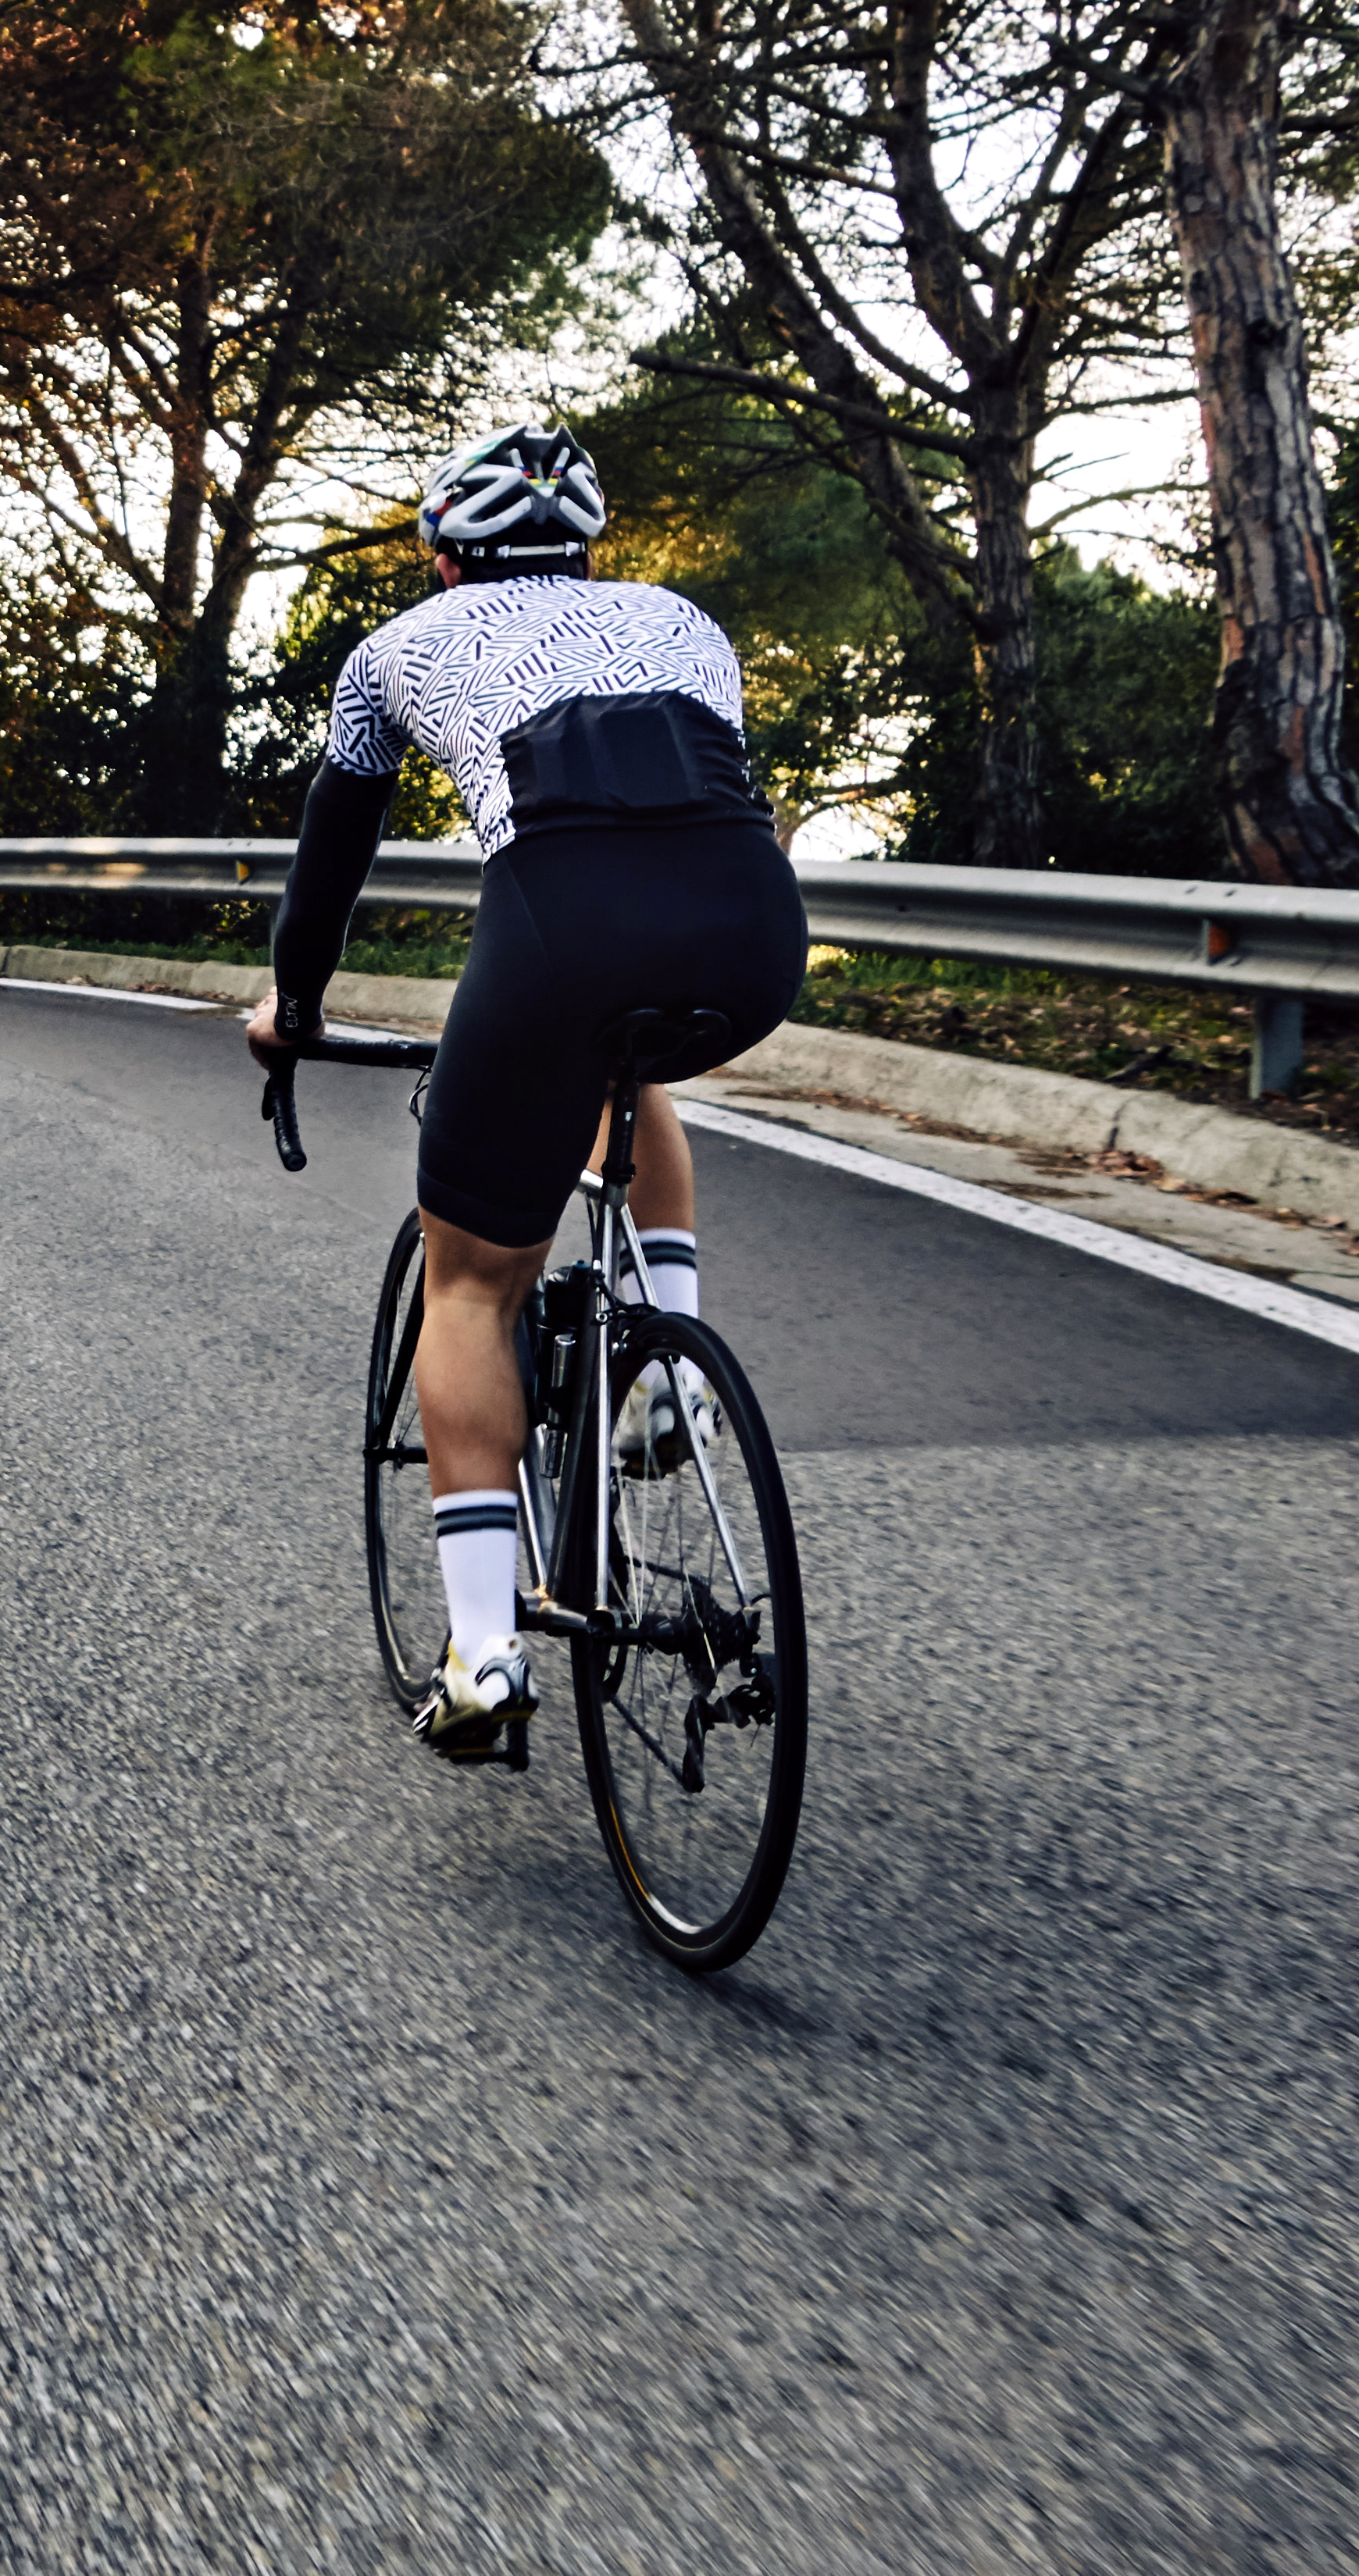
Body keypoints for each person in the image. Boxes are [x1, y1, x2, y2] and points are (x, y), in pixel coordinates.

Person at [245, 423, 808, 1758]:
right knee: (633, 1062)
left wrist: (296, 1012)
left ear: (446, 556)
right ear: (586, 548)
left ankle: (486, 1649)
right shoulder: (685, 620)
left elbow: (332, 858)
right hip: (752, 932)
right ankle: (672, 1362)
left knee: (474, 1282)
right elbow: (718, 803)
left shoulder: (391, 655)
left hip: (560, 927)